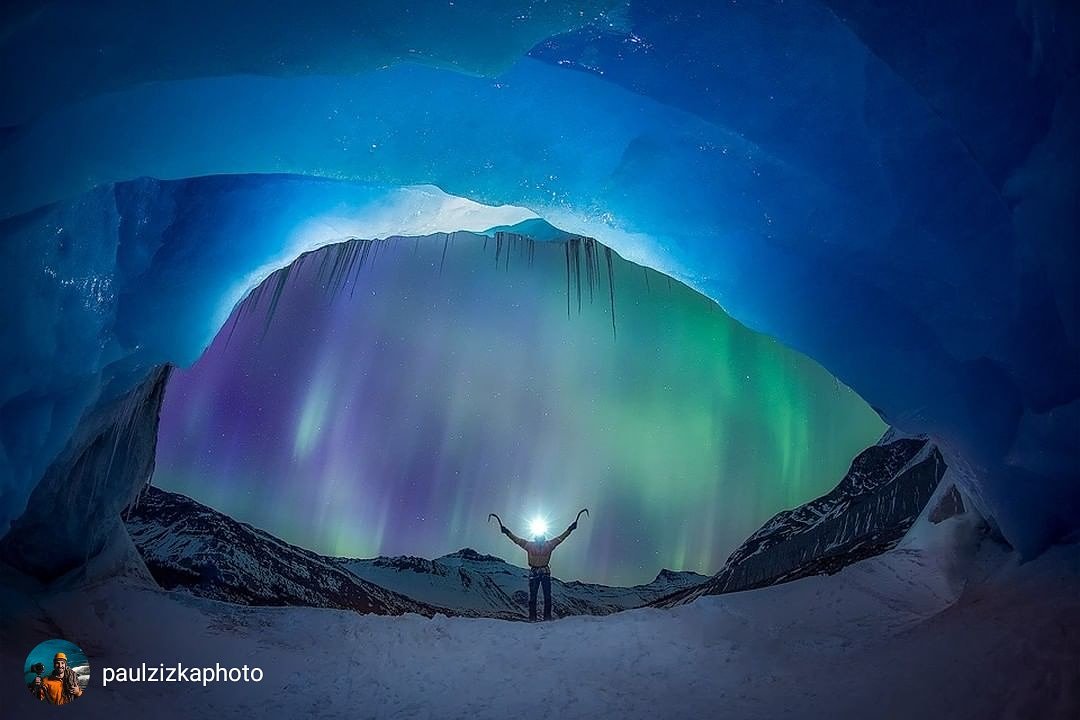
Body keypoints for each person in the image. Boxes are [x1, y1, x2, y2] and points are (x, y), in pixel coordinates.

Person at [493, 511, 585, 622]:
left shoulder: (540, 545)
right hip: (539, 572)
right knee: (535, 596)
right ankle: (535, 618)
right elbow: (516, 540)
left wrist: (570, 530)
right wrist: (507, 532)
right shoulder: (539, 545)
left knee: (544, 596)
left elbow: (561, 538)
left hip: (540, 572)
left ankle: (544, 618)